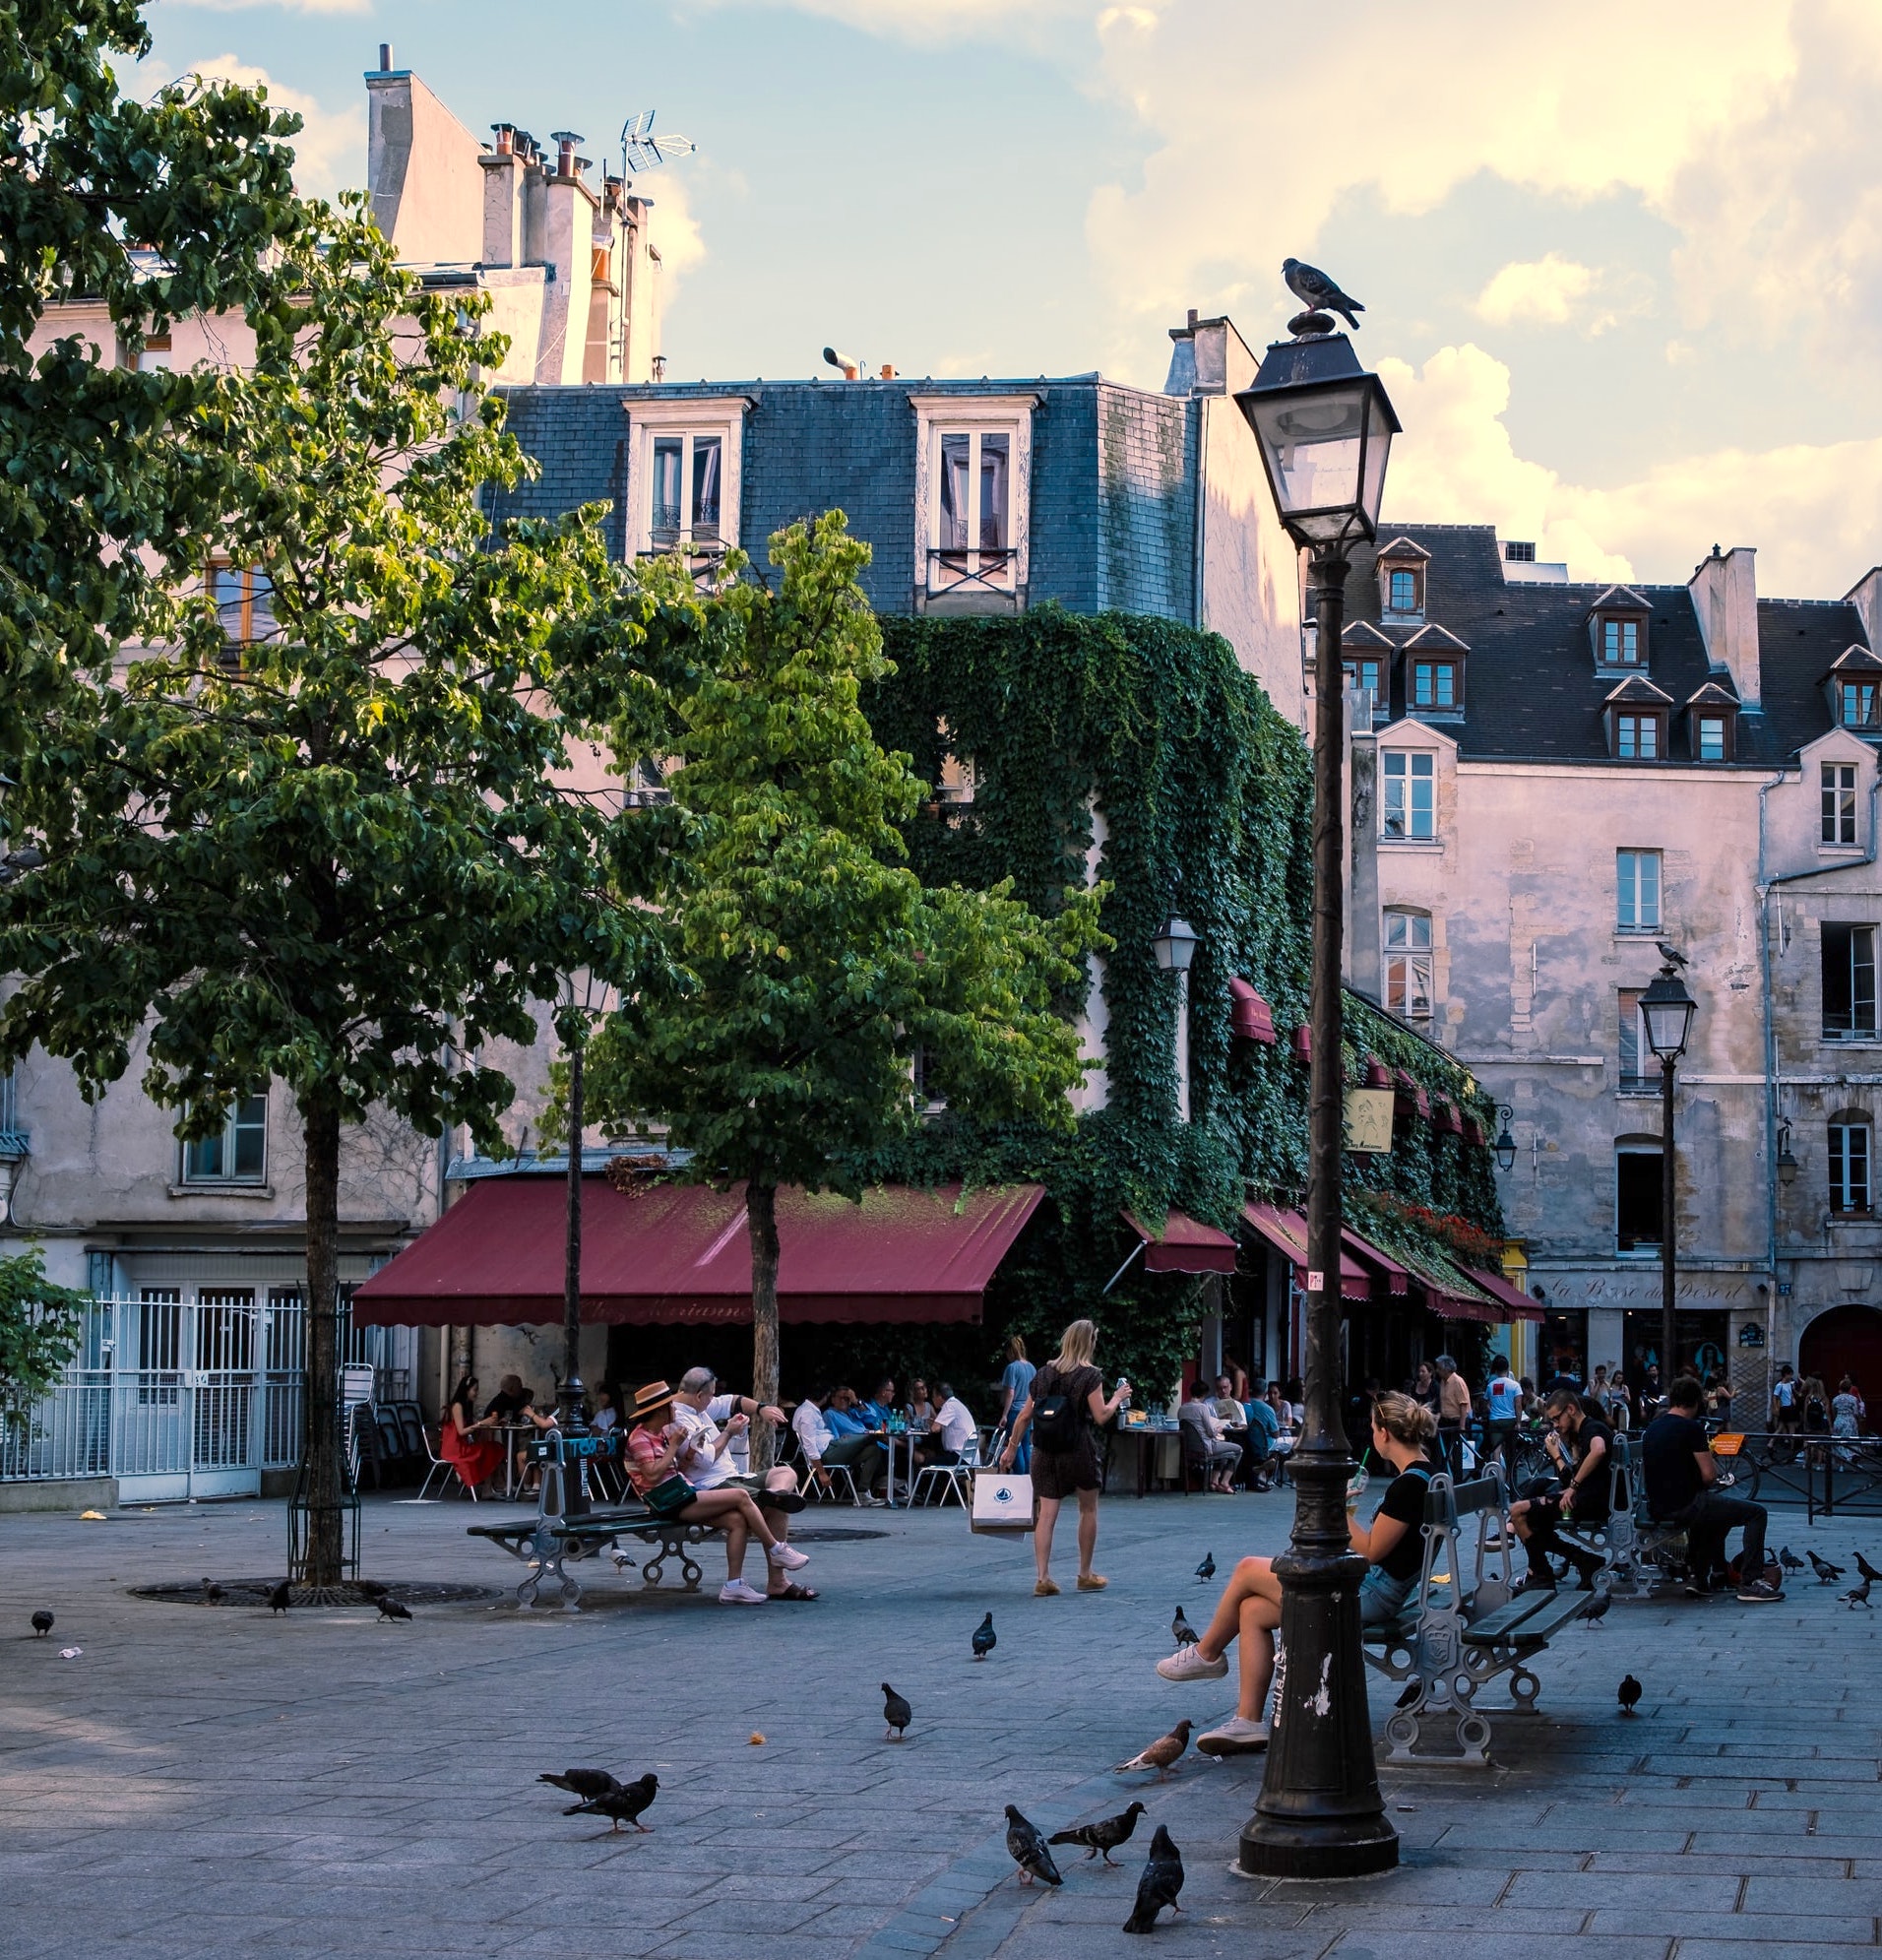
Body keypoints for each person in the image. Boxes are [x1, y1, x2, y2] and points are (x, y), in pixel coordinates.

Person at [1154, 1390, 1441, 1755]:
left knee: (1245, 1569)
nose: (1371, 1435)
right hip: (1386, 1589)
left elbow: (1369, 1553)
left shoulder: (1409, 1485)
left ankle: (1207, 1653)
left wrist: (1339, 1508)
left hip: (1371, 1595)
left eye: (1372, 1428)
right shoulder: (1428, 1474)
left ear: (1384, 1433)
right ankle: (1247, 1723)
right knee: (1252, 1611)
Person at [624, 1380, 814, 1605]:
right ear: (659, 1411)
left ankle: (733, 1586)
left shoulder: (660, 1434)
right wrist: (675, 1446)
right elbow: (653, 1475)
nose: (674, 1408)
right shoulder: (640, 1438)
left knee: (736, 1521)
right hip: (666, 1501)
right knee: (741, 1496)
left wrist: (688, 1453)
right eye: (670, 1405)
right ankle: (776, 1548)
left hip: (680, 1493)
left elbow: (675, 1471)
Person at [999, 1318, 1128, 1596]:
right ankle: (1084, 1574)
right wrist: (1118, 1398)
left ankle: (1043, 1578)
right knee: (1088, 1509)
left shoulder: (1044, 1373)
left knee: (1046, 1515)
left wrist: (1011, 1448)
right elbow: (1101, 1415)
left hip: (1044, 1450)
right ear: (1089, 1343)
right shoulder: (1091, 1375)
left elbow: (1024, 1416)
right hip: (1078, 1449)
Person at [1642, 1376, 1781, 1603]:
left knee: (1716, 1516)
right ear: (1696, 1403)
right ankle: (1751, 1582)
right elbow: (1709, 1475)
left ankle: (1702, 1578)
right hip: (1687, 1504)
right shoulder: (1691, 1428)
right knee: (1756, 1513)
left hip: (1658, 1506)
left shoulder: (1652, 1429)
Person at [1507, 1388, 1610, 1592]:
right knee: (1534, 1511)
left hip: (1587, 1503)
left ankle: (1542, 1573)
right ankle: (1583, 1560)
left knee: (1518, 1511)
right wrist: (1561, 1455)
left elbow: (1599, 1450)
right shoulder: (1581, 1433)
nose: (1555, 1425)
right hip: (1584, 1499)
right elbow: (1570, 1477)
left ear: (1570, 1409)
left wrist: (1572, 1488)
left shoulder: (1592, 1428)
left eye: (1556, 1419)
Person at [813, 1386, 888, 1504]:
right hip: (838, 1450)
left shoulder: (854, 1413)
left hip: (856, 1450)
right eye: (841, 1398)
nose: (844, 1401)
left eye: (847, 1399)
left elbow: (873, 1417)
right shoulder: (829, 1414)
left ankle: (862, 1493)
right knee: (873, 1436)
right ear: (833, 1399)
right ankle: (883, 1479)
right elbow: (833, 1439)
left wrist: (856, 1401)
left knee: (874, 1450)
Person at [439, 1373, 505, 1494]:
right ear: (466, 1390)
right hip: (455, 1449)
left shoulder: (466, 1406)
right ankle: (491, 1486)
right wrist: (482, 1423)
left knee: (493, 1447)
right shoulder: (457, 1406)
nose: (477, 1393)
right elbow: (461, 1431)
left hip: (462, 1446)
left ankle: (491, 1485)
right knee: (490, 1449)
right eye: (475, 1390)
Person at [1177, 1387, 1241, 1493]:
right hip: (1206, 1446)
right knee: (1239, 1450)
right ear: (1204, 1395)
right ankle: (1225, 1482)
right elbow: (1210, 1433)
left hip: (1189, 1447)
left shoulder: (1182, 1408)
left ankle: (1214, 1481)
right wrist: (1219, 1429)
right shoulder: (1202, 1407)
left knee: (1224, 1450)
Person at [913, 1381, 976, 1484]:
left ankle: (923, 1494)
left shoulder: (949, 1406)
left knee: (925, 1462)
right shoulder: (957, 1404)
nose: (932, 1399)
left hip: (959, 1457)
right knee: (937, 1458)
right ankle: (944, 1496)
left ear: (939, 1397)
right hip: (967, 1456)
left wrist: (931, 1424)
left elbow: (935, 1429)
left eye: (933, 1396)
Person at [995, 1337, 1037, 1470]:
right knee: (1026, 1446)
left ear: (1010, 1351)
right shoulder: (1032, 1367)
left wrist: (1004, 1415)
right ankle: (1027, 1480)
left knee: (1015, 1446)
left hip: (1015, 1412)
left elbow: (1010, 1393)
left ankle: (1019, 1478)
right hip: (1029, 1411)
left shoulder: (1011, 1368)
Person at [1434, 1355, 1472, 1474]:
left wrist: (1462, 1426)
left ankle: (1457, 1477)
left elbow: (1463, 1404)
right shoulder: (1443, 1382)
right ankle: (1445, 1474)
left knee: (1456, 1451)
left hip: (1457, 1420)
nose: (1437, 1371)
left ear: (1446, 1369)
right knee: (1442, 1449)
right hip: (1445, 1419)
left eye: (1439, 1368)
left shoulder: (1457, 1381)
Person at [1483, 1355, 1523, 1465]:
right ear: (1508, 1368)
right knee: (1511, 1450)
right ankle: (1510, 1476)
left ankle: (1497, 1474)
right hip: (1510, 1420)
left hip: (1494, 1420)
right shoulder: (1515, 1385)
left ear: (1496, 1370)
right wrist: (1519, 1422)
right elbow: (1518, 1405)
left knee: (1496, 1449)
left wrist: (1491, 1410)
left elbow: (1485, 1402)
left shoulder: (1491, 1385)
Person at [1243, 1378, 1280, 1491]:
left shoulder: (1244, 1405)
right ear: (1265, 1392)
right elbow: (1275, 1434)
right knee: (1293, 1441)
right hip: (1265, 1442)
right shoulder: (1268, 1409)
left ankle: (1262, 1474)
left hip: (1246, 1441)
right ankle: (1270, 1477)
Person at [1770, 1362, 1799, 1436]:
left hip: (1789, 1408)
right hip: (1785, 1408)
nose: (1791, 1376)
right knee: (1786, 1427)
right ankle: (1789, 1444)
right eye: (1790, 1374)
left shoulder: (1791, 1383)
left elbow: (1795, 1394)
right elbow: (1775, 1396)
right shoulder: (1780, 1384)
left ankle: (1775, 1442)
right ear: (1786, 1374)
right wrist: (1776, 1407)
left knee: (1782, 1426)